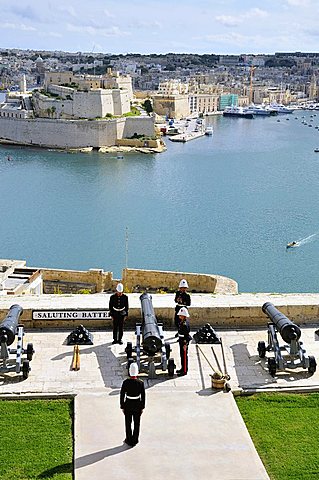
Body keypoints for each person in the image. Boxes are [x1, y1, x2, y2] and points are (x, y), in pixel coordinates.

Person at [120, 362, 145, 447]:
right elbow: (143, 396)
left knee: (128, 423)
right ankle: (135, 439)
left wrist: (122, 406)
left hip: (128, 404)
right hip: (137, 404)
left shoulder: (125, 382)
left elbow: (122, 394)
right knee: (136, 423)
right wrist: (142, 407)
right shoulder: (140, 383)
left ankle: (129, 439)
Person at [176, 306, 192, 376]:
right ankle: (182, 368)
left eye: (180, 315)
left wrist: (185, 344)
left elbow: (185, 334)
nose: (179, 316)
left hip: (184, 342)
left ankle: (184, 370)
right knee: (182, 356)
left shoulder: (184, 324)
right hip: (181, 340)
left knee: (184, 356)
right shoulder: (182, 322)